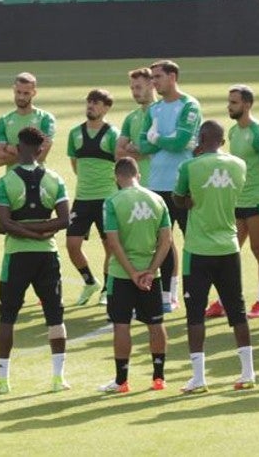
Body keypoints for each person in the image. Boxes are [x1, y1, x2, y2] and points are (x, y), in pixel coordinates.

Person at [172, 120, 254, 393]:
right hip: (229, 246)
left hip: (198, 249)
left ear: (203, 137)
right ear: (222, 140)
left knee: (195, 314)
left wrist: (189, 200)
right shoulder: (239, 165)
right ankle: (248, 372)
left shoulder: (189, 166)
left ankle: (198, 377)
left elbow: (178, 198)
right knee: (237, 310)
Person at [0, 127, 71, 395]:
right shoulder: (55, 179)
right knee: (54, 315)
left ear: (16, 147)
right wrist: (42, 232)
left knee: (8, 317)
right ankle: (58, 378)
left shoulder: (5, 182)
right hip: (48, 254)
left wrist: (25, 231)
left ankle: (3, 381)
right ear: (39, 150)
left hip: (16, 255)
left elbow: (5, 223)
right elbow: (64, 219)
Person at [98, 157, 172, 394]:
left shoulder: (112, 201)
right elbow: (167, 240)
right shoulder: (157, 199)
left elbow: (113, 242)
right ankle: (158, 377)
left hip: (121, 275)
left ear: (117, 178)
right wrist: (150, 271)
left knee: (121, 325)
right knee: (156, 323)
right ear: (138, 175)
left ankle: (122, 381)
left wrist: (132, 273)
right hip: (152, 275)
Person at [136, 60, 202, 312]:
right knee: (160, 241)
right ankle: (167, 295)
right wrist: (165, 139)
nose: (154, 82)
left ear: (173, 77)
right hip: (156, 184)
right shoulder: (153, 110)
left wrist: (158, 138)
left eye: (158, 77)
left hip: (183, 184)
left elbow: (182, 141)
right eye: (152, 78)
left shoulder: (189, 105)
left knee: (191, 239)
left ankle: (193, 292)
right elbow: (143, 145)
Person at [212, 86, 259, 319]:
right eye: (229, 102)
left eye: (234, 102)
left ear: (247, 105)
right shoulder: (232, 132)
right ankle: (223, 300)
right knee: (229, 251)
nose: (229, 106)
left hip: (258, 200)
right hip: (238, 199)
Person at [65, 89, 119, 306]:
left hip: (108, 199)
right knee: (72, 244)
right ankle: (89, 281)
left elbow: (119, 164)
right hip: (83, 198)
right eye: (89, 102)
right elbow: (75, 164)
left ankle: (107, 288)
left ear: (106, 108)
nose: (91, 106)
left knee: (111, 246)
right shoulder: (75, 133)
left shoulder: (113, 134)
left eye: (96, 103)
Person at [0, 72, 56, 170]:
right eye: (18, 92)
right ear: (14, 90)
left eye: (26, 93)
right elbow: (0, 159)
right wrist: (30, 152)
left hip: (36, 180)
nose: (21, 97)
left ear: (34, 93)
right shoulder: (3, 121)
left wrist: (12, 149)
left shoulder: (45, 119)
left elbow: (41, 156)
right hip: (12, 182)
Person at [116, 68, 154, 183]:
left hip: (160, 183)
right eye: (132, 88)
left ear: (152, 85)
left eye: (138, 87)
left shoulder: (163, 113)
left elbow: (164, 148)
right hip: (137, 184)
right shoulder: (131, 118)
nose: (134, 92)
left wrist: (135, 148)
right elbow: (118, 153)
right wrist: (146, 152)